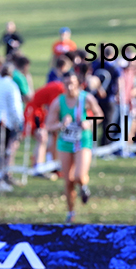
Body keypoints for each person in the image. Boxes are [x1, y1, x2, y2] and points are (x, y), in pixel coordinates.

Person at [45, 71, 103, 222]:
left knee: (78, 175)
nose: (70, 87)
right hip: (65, 143)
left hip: (82, 141)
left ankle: (84, 186)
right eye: (66, 84)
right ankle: (71, 212)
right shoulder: (59, 102)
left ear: (78, 84)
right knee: (68, 180)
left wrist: (89, 122)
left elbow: (99, 115)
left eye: (72, 83)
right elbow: (49, 125)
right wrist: (61, 124)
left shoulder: (86, 99)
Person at [0, 58, 24, 191]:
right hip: (2, 122)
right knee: (0, 152)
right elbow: (15, 107)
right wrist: (19, 122)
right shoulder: (11, 85)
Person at [24, 80, 65, 177]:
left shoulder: (60, 87)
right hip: (35, 112)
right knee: (42, 137)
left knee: (46, 139)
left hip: (40, 110)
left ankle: (44, 164)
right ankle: (38, 166)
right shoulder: (60, 89)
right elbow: (53, 107)